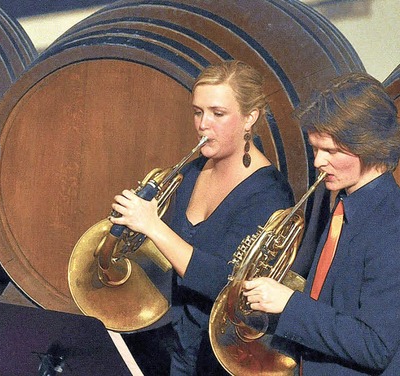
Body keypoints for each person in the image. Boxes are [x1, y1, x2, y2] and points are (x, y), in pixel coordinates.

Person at [110, 60, 294, 375]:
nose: (203, 124)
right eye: (198, 112)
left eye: (217, 114)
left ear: (250, 118)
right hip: (166, 343)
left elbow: (227, 284)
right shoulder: (191, 173)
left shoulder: (269, 195)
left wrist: (152, 226)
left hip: (214, 358)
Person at [243, 72, 400, 375]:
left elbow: (376, 346)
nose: (317, 162)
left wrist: (289, 304)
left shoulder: (392, 223)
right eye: (315, 149)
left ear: (369, 146)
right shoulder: (341, 200)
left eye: (330, 151)